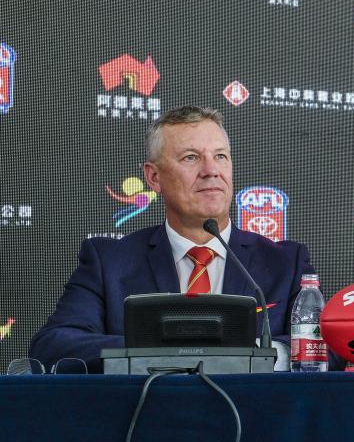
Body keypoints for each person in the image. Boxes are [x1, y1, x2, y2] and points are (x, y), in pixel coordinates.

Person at [29, 106, 313, 371]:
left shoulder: (285, 263)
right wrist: (163, 353)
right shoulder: (109, 262)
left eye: (220, 156)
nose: (211, 170)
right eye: (191, 157)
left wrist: (259, 353)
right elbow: (53, 345)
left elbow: (326, 347)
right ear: (154, 177)